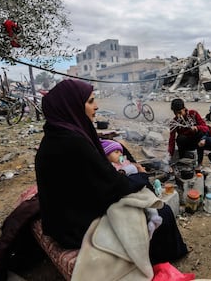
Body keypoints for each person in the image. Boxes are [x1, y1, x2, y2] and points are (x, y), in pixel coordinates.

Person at [35, 79, 187, 265]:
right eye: (90, 101)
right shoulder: (72, 142)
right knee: (162, 214)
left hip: (64, 218)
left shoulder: (57, 134)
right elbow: (112, 187)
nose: (97, 106)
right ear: (72, 105)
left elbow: (93, 179)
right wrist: (139, 176)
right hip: (74, 228)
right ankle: (162, 259)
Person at [168, 98, 208, 168]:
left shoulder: (193, 114)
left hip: (197, 142)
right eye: (175, 113)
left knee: (201, 134)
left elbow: (206, 128)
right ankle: (182, 161)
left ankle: (199, 163)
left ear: (184, 109)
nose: (178, 116)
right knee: (179, 138)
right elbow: (172, 140)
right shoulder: (174, 122)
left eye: (180, 113)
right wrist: (169, 155)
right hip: (185, 144)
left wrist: (196, 128)